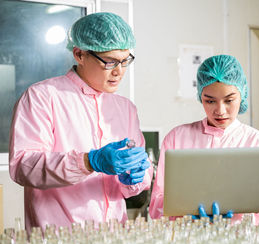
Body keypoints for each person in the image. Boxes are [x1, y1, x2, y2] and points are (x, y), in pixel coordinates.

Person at [8, 12, 152, 232]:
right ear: (79, 54)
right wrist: (88, 162)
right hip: (59, 241)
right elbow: (22, 166)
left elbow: (131, 187)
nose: (118, 72)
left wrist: (137, 177)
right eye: (110, 61)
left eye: (124, 61)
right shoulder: (43, 97)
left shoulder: (126, 108)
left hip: (114, 239)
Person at [149, 55, 259, 224]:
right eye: (210, 101)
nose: (220, 111)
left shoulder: (257, 142)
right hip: (188, 239)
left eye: (229, 100)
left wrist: (237, 215)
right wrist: (187, 212)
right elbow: (156, 206)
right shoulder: (177, 138)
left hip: (239, 241)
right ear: (200, 97)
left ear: (242, 94)